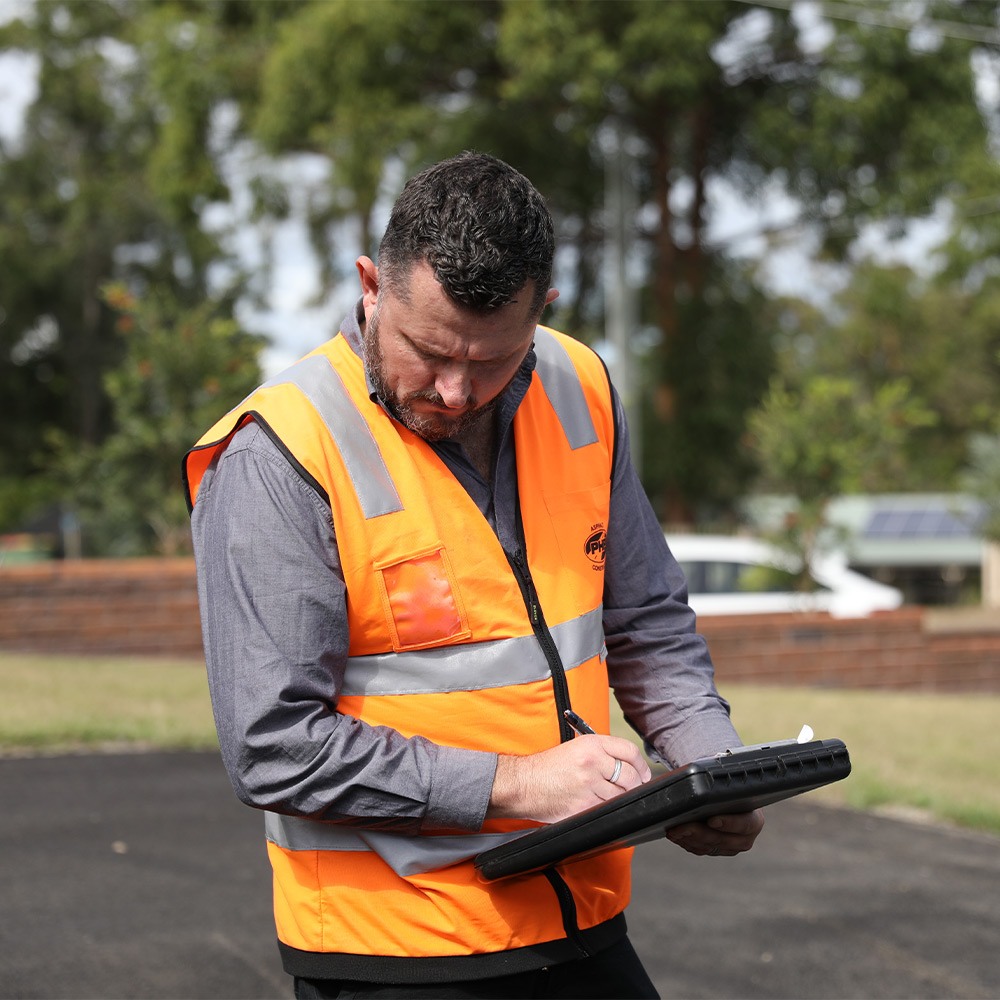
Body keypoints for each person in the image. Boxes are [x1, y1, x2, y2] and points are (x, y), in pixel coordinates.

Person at [184, 152, 764, 1000]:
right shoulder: (281, 453)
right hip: (395, 950)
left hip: (578, 919)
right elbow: (271, 745)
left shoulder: (583, 388)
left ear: (544, 313)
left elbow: (644, 618)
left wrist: (709, 766)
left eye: (492, 360)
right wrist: (521, 784)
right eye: (427, 351)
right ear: (371, 285)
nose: (456, 390)